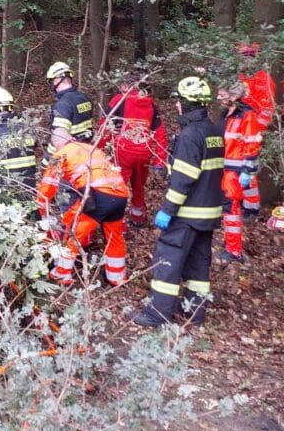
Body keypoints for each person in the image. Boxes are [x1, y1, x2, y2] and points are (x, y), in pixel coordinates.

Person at [132, 77, 224, 328]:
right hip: (208, 213)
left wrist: (167, 210)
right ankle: (194, 313)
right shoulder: (214, 131)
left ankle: (157, 315)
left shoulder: (190, 135)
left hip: (187, 214)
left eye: (178, 101)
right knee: (198, 265)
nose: (175, 106)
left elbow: (184, 179)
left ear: (186, 103)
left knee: (168, 261)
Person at [36, 132, 129, 286]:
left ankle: (61, 274)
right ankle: (116, 276)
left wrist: (41, 207)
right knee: (114, 236)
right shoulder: (90, 148)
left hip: (97, 195)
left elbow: (48, 185)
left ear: (57, 145)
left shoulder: (61, 154)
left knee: (72, 232)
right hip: (120, 193)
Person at [101, 74, 169, 227]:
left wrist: (98, 150)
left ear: (126, 86)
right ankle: (137, 216)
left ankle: (117, 222)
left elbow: (105, 126)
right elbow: (160, 133)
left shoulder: (119, 100)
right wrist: (160, 159)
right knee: (138, 186)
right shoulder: (151, 105)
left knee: (118, 187)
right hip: (143, 154)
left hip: (123, 152)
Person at [218, 81, 262, 263]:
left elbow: (252, 144)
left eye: (222, 95)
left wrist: (247, 170)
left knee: (231, 209)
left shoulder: (247, 115)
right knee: (228, 209)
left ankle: (234, 251)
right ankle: (230, 245)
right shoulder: (225, 114)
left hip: (236, 172)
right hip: (225, 169)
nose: (218, 98)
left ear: (234, 96)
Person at [238, 42, 277, 220]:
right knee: (236, 168)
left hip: (253, 133)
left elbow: (268, 109)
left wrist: (256, 132)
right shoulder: (239, 78)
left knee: (249, 170)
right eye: (244, 57)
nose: (246, 60)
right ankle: (238, 201)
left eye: (250, 57)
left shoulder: (264, 79)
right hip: (237, 132)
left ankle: (251, 209)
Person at [46, 61, 94, 157]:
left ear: (57, 80)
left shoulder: (63, 104)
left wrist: (46, 162)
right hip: (88, 150)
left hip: (72, 154)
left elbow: (59, 138)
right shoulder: (85, 98)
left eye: (51, 81)